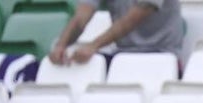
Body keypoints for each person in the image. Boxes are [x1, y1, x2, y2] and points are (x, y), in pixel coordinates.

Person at [48, 0, 184, 66]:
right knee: (76, 66)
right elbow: (82, 16)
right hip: (122, 56)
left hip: (161, 56)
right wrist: (61, 45)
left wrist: (93, 46)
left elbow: (135, 17)